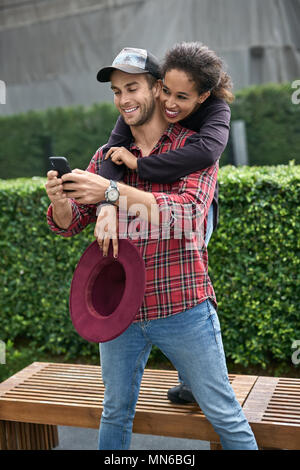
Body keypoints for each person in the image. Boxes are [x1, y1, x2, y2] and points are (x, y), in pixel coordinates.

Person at [45, 47, 258, 450]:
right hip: (120, 312)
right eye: (115, 91)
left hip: (182, 305)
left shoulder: (193, 147)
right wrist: (60, 201)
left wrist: (111, 194)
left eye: (132, 87)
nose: (123, 99)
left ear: (158, 89)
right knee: (115, 413)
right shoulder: (107, 157)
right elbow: (71, 222)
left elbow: (188, 214)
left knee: (224, 414)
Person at [96, 41, 232, 405]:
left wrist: (140, 167)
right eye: (166, 92)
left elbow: (205, 152)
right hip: (152, 195)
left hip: (198, 208)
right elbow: (111, 154)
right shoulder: (139, 108)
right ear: (160, 86)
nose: (171, 103)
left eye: (181, 97)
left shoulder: (215, 111)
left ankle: (198, 374)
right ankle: (192, 372)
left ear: (202, 96)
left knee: (190, 266)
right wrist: (107, 204)